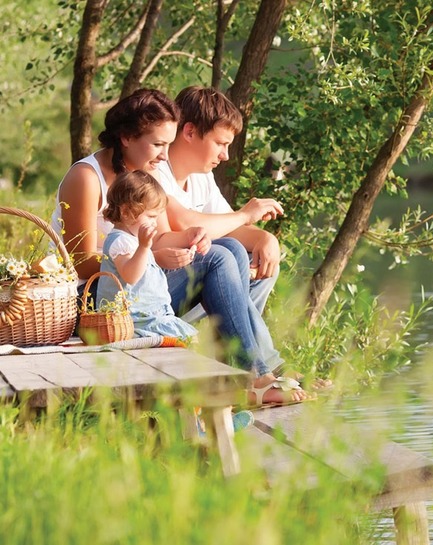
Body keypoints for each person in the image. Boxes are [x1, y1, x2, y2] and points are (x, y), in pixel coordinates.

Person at [51, 88, 308, 406]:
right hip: (95, 302)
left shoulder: (143, 174)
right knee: (216, 257)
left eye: (167, 145)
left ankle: (246, 372)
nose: (163, 155)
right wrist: (153, 257)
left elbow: (159, 237)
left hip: (137, 290)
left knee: (225, 247)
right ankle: (253, 375)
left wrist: (193, 237)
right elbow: (84, 264)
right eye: (158, 144)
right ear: (127, 137)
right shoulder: (86, 177)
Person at [157, 85, 329, 390]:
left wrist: (265, 239)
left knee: (259, 261)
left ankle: (246, 361)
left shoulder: (201, 176)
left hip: (190, 285)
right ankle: (259, 372)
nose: (225, 155)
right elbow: (184, 223)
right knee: (225, 253)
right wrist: (246, 215)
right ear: (189, 132)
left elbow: (228, 226)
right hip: (158, 291)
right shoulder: (156, 169)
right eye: (220, 144)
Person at [98, 169, 198, 341]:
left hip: (152, 314)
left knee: (190, 339)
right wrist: (144, 247)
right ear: (126, 212)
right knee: (186, 340)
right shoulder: (120, 241)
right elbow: (130, 275)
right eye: (151, 216)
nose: (155, 223)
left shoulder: (133, 241)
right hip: (133, 320)